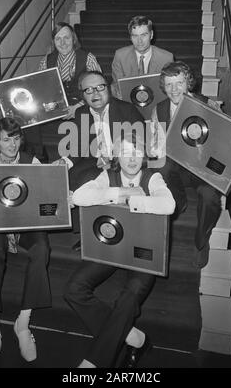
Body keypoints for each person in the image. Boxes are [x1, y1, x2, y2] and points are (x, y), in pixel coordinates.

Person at [64, 133, 176, 368]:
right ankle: (134, 337)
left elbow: (169, 204)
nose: (132, 159)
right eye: (125, 153)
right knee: (73, 289)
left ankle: (94, 363)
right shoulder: (108, 175)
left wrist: (137, 200)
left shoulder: (152, 176)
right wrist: (119, 193)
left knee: (128, 296)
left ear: (144, 155)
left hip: (143, 250)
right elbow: (81, 196)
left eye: (136, 152)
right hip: (113, 248)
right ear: (116, 156)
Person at [151, 61, 231, 268]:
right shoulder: (159, 110)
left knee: (210, 196)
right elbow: (155, 144)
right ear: (163, 87)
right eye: (169, 85)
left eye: (179, 83)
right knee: (160, 168)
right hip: (176, 165)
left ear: (188, 83)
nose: (174, 90)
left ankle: (202, 241)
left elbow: (229, 137)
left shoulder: (209, 105)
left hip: (204, 167)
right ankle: (179, 201)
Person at [0, 117, 51, 361]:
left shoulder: (32, 161)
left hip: (26, 224)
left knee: (41, 249)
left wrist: (60, 199)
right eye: (6, 139)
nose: (12, 144)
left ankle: (23, 322)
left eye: (16, 138)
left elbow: (45, 195)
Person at [24, 22, 102, 160]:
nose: (63, 42)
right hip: (55, 105)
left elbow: (99, 89)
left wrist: (76, 107)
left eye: (66, 37)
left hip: (81, 103)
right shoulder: (47, 61)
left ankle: (77, 160)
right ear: (54, 42)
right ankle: (38, 156)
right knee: (28, 115)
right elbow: (36, 87)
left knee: (85, 117)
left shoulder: (88, 58)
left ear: (73, 39)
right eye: (58, 39)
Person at [59, 70, 145, 192]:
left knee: (89, 180)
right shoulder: (81, 113)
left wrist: (114, 163)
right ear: (83, 96)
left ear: (108, 89)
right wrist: (64, 161)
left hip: (123, 161)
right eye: (88, 90)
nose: (95, 94)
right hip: (96, 160)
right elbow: (78, 147)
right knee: (70, 177)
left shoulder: (127, 110)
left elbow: (139, 145)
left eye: (100, 87)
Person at [111, 15, 174, 98]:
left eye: (143, 35)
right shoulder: (120, 56)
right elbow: (118, 87)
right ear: (130, 37)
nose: (139, 41)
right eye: (135, 36)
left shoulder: (166, 58)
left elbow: (169, 89)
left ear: (151, 35)